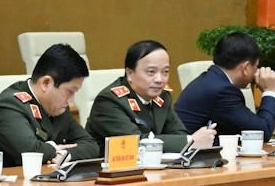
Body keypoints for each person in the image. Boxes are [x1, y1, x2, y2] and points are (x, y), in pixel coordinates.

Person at [0, 43, 102, 167]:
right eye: (70, 91)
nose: (72, 99)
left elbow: (91, 145)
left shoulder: (57, 107)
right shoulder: (8, 106)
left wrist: (63, 154)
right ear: (46, 83)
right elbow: (30, 152)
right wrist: (53, 148)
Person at [86, 40, 215, 154]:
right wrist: (190, 141)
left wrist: (189, 140)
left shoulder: (162, 96)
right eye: (151, 72)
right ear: (129, 73)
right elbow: (136, 143)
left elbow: (178, 133)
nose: (159, 79)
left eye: (165, 72)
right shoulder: (109, 101)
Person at [175, 30, 275, 136]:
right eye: (256, 66)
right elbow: (261, 132)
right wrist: (270, 91)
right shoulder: (223, 91)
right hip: (191, 147)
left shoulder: (211, 80)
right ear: (246, 67)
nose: (256, 71)